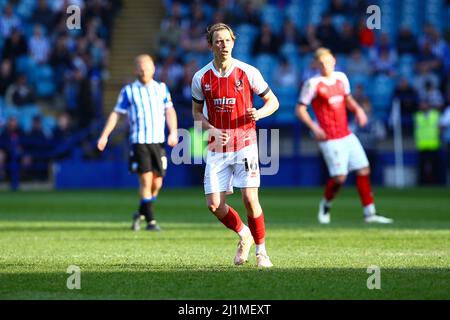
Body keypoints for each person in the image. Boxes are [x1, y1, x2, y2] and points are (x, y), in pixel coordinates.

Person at [191, 23, 279, 268]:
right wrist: (212, 130)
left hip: (245, 144)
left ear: (233, 42)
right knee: (214, 205)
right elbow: (197, 114)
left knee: (250, 198)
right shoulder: (201, 77)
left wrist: (259, 114)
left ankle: (262, 252)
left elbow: (273, 101)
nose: (224, 45)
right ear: (210, 45)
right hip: (217, 148)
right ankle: (244, 234)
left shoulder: (247, 72)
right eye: (218, 41)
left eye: (227, 41)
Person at [295, 48, 393, 224]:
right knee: (340, 177)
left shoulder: (341, 78)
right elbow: (300, 109)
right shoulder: (313, 84)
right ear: (317, 64)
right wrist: (314, 127)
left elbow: (347, 99)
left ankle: (369, 213)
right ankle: (326, 204)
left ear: (334, 59)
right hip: (329, 138)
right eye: (322, 63)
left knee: (363, 169)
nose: (326, 65)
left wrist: (359, 110)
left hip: (347, 134)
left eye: (328, 61)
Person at [97, 54, 178, 231]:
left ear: (153, 69)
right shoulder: (129, 91)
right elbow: (117, 113)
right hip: (139, 141)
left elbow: (170, 111)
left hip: (158, 142)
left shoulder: (162, 89)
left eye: (147, 67)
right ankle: (151, 221)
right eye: (140, 67)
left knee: (157, 183)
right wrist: (105, 135)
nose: (143, 70)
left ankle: (140, 213)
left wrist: (173, 132)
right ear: (135, 69)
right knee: (146, 180)